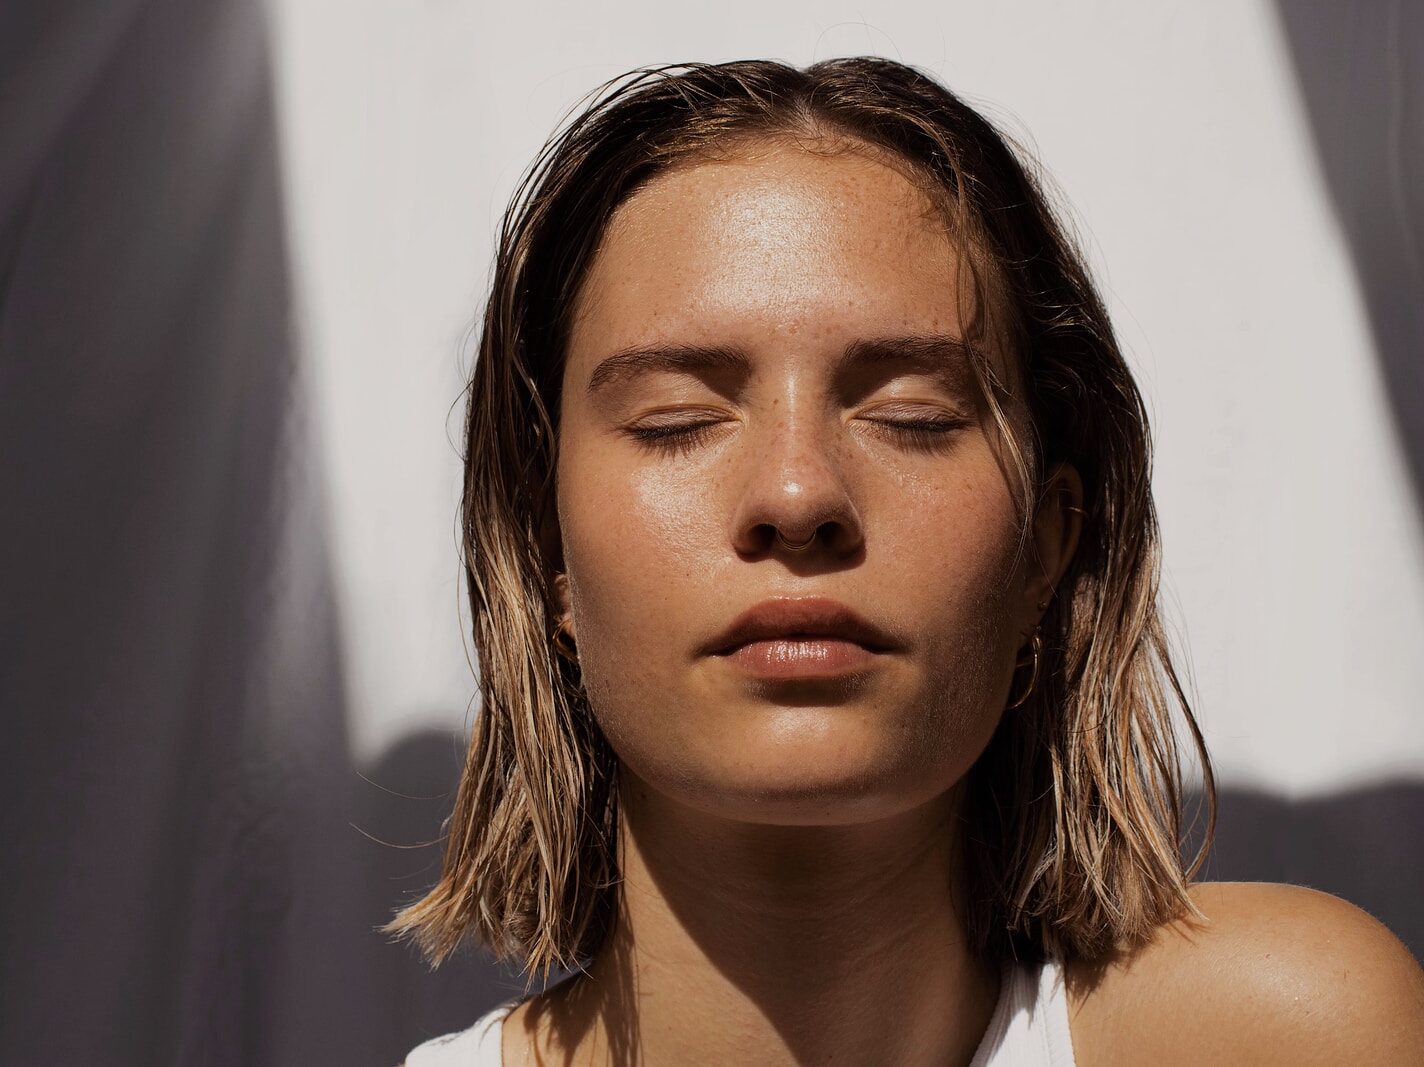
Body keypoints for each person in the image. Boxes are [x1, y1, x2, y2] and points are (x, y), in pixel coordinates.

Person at [391, 57, 1424, 1065]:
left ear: (1047, 548)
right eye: (676, 420)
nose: (796, 497)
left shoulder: (1284, 1034)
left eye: (912, 415)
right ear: (543, 555)